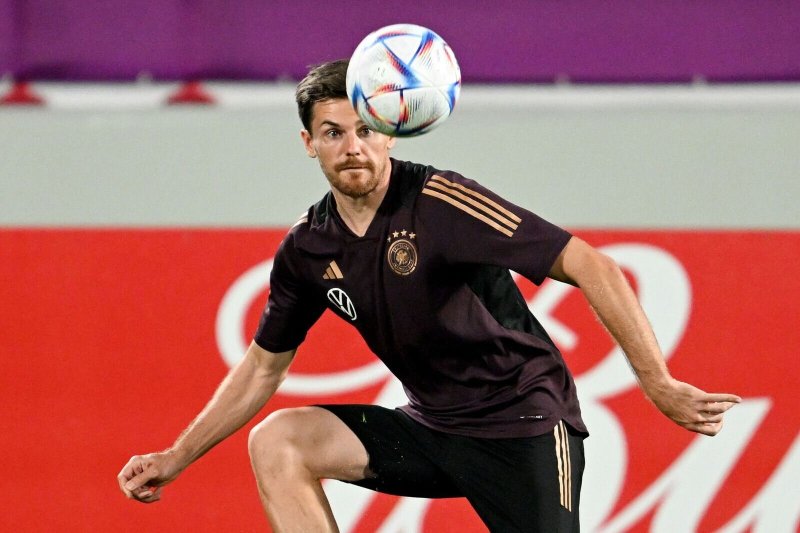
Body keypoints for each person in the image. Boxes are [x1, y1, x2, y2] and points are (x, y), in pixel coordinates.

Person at [117, 59, 741, 532]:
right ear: (308, 143)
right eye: (332, 133)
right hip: (431, 428)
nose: (352, 147)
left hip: (523, 422)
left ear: (392, 132)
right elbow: (261, 368)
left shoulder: (442, 202)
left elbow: (592, 265)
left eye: (365, 130)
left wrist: (657, 382)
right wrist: (178, 456)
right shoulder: (308, 248)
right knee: (279, 439)